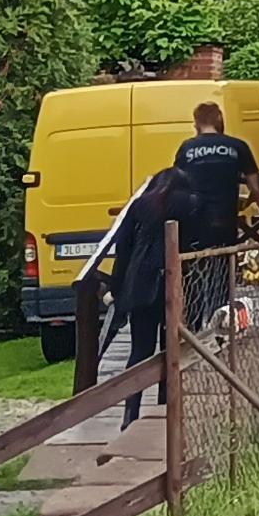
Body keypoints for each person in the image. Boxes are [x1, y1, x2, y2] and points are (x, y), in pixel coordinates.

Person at [166, 100, 259, 331]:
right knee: (222, 276)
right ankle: (220, 331)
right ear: (220, 121)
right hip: (223, 220)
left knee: (191, 278)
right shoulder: (237, 146)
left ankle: (192, 331)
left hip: (191, 223)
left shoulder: (186, 148)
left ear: (197, 124)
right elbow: (257, 188)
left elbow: (176, 184)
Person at [99, 164, 178, 424]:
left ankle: (130, 414)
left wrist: (117, 287)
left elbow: (123, 248)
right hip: (173, 285)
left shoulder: (140, 205)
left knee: (139, 350)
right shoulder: (188, 203)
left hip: (141, 285)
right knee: (173, 348)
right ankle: (168, 406)